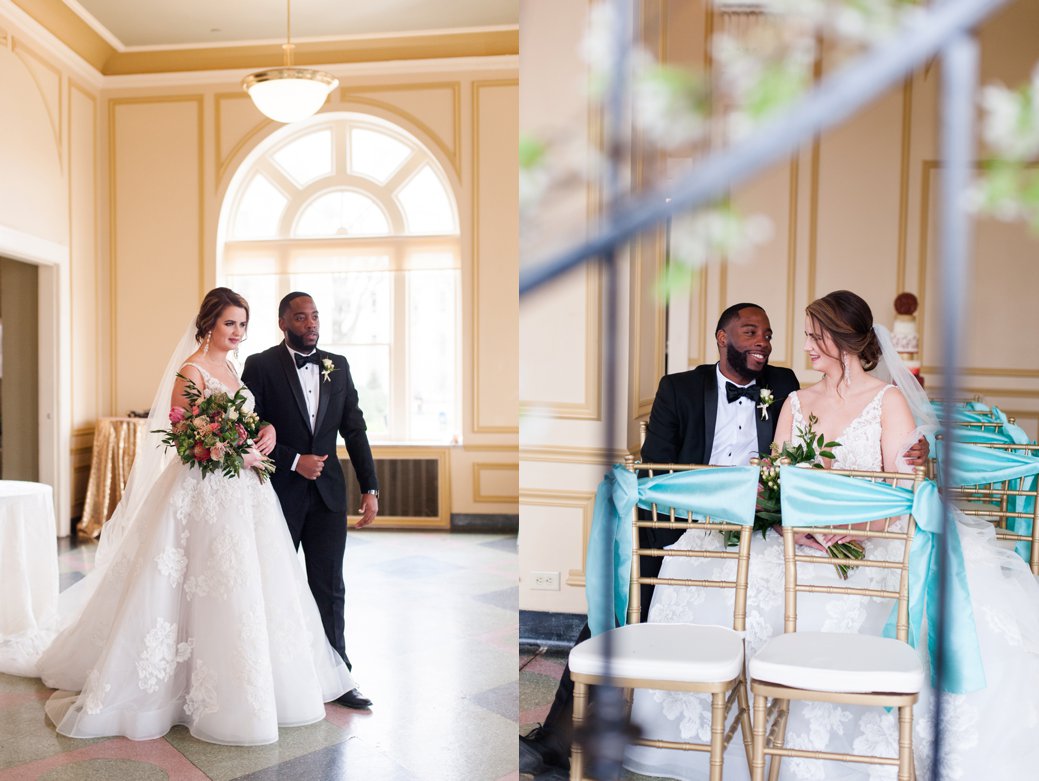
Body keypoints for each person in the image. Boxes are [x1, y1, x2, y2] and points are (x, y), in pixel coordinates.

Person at [624, 290, 1039, 780]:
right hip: (792, 539)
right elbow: (771, 481)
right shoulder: (796, 402)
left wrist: (838, 529)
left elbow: (898, 500)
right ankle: (723, 739)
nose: (803, 348)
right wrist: (784, 523)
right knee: (700, 564)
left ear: (841, 341)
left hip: (867, 544)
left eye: (812, 336)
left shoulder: (888, 403)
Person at [11, 287, 355, 745]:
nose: (237, 332)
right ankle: (176, 686)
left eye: (242, 324)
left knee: (246, 584)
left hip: (244, 495)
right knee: (191, 583)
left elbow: (248, 422)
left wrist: (265, 430)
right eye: (230, 323)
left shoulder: (232, 368)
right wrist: (238, 453)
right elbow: (185, 437)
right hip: (202, 492)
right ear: (209, 323)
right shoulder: (190, 371)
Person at [521, 303, 800, 779]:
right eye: (751, 332)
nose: (763, 342)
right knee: (617, 608)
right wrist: (711, 499)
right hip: (681, 522)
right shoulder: (679, 388)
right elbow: (657, 468)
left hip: (758, 529)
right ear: (721, 337)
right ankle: (559, 738)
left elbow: (796, 456)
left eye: (769, 335)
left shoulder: (784, 385)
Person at [242, 292, 378, 711]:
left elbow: (354, 430)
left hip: (329, 496)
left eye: (315, 315)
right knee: (275, 586)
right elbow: (248, 428)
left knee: (330, 588)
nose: (310, 323)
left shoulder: (338, 365)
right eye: (300, 317)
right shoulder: (261, 365)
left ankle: (339, 677)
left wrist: (370, 488)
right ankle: (270, 677)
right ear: (283, 322)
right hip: (278, 494)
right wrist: (294, 461)